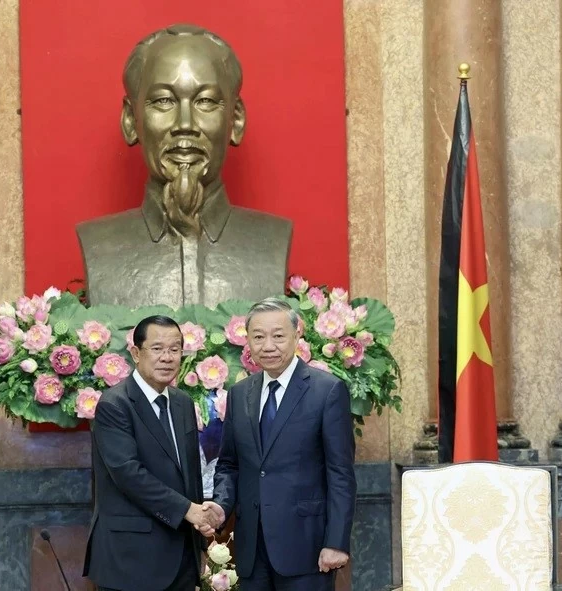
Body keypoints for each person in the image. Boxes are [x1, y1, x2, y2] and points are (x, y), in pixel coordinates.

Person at [76, 23, 291, 309]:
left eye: (206, 101)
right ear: (131, 120)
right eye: (164, 101)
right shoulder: (99, 244)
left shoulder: (272, 240)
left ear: (236, 120)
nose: (185, 125)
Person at [205, 298, 357, 591]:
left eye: (278, 335)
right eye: (258, 337)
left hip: (307, 548)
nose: (268, 345)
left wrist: (337, 542)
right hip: (251, 548)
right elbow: (229, 464)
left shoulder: (326, 390)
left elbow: (340, 473)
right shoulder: (240, 394)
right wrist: (222, 506)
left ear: (297, 333)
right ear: (247, 340)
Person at [83, 315, 218, 591]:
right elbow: (128, 474)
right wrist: (188, 511)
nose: (167, 358)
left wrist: (200, 539)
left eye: (174, 349)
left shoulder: (182, 403)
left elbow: (188, 474)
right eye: (157, 349)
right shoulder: (115, 404)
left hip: (181, 557)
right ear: (135, 353)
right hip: (131, 559)